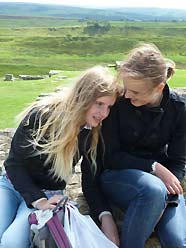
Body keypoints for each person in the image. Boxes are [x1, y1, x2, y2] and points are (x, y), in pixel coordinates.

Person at [0, 66, 120, 248]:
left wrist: (105, 216)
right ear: (83, 97)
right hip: (11, 185)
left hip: (49, 194)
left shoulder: (92, 132)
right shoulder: (42, 116)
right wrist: (37, 200)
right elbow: (14, 164)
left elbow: (90, 179)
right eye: (99, 104)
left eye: (109, 106)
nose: (104, 113)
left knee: (12, 242)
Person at [100, 43, 186, 248]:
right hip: (117, 175)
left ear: (159, 87)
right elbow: (110, 156)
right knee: (152, 190)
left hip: (161, 185)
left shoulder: (179, 109)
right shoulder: (119, 104)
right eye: (126, 88)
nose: (127, 95)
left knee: (177, 241)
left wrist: (168, 199)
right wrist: (154, 167)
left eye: (135, 91)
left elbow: (178, 161)